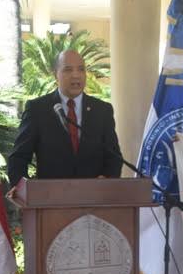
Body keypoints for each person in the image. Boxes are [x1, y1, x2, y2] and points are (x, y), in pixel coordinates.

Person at [7, 50, 122, 185]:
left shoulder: (102, 110)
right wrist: (24, 190)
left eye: (81, 70)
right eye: (68, 70)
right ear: (56, 74)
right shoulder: (38, 109)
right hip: (50, 198)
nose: (75, 75)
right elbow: (18, 158)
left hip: (93, 198)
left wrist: (107, 179)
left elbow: (114, 157)